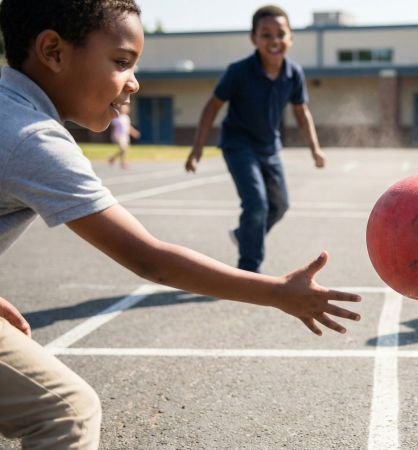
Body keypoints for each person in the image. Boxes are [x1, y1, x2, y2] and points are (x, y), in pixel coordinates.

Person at [0, 1, 361, 448]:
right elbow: (151, 261)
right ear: (53, 51)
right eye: (121, 62)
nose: (134, 82)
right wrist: (276, 292)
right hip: (243, 146)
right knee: (67, 412)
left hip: (266, 147)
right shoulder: (35, 139)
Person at [185, 5, 325, 273]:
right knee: (256, 204)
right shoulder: (238, 71)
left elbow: (301, 112)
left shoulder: (293, 74)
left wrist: (315, 150)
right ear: (254, 39)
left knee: (280, 205)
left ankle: (243, 236)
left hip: (269, 146)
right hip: (238, 144)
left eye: (280, 34)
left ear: (291, 38)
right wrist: (197, 148)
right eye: (266, 35)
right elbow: (212, 106)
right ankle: (249, 269)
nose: (274, 41)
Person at [107, 103, 140, 169]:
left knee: (124, 150)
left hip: (125, 136)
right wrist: (115, 136)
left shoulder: (126, 117)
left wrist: (134, 132)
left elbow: (128, 127)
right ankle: (123, 163)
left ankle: (112, 158)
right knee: (123, 149)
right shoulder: (117, 117)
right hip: (118, 135)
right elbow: (113, 128)